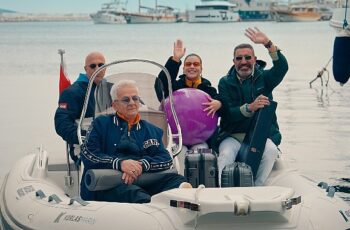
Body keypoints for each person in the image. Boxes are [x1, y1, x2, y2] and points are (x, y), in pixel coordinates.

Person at [80, 80, 187, 203]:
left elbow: (166, 159)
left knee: (179, 181)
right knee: (134, 194)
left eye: (135, 98)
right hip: (109, 184)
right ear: (115, 105)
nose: (132, 103)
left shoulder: (152, 130)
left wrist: (141, 165)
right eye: (126, 100)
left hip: (144, 181)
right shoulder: (100, 124)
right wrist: (120, 164)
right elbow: (88, 155)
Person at [217, 27, 289, 186]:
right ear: (233, 61)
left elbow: (282, 68)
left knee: (271, 151)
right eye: (239, 58)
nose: (243, 62)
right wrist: (250, 107)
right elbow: (227, 113)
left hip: (261, 135)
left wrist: (267, 43)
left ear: (255, 60)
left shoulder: (265, 78)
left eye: (248, 57)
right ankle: (221, 192)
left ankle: (257, 186)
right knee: (225, 155)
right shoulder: (224, 82)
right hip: (233, 135)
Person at [155, 39, 222, 159]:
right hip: (177, 137)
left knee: (201, 154)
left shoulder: (209, 91)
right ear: (183, 68)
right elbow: (160, 85)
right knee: (179, 153)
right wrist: (175, 60)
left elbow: (222, 107)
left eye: (196, 64)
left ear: (201, 69)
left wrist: (220, 103)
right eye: (188, 64)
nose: (192, 67)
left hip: (201, 138)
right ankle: (181, 178)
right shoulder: (174, 87)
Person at [54, 51, 106, 163]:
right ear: (86, 69)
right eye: (93, 66)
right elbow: (61, 124)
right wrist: (87, 138)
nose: (97, 68)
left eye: (101, 65)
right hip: (83, 148)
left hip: (111, 144)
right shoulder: (72, 92)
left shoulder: (112, 89)